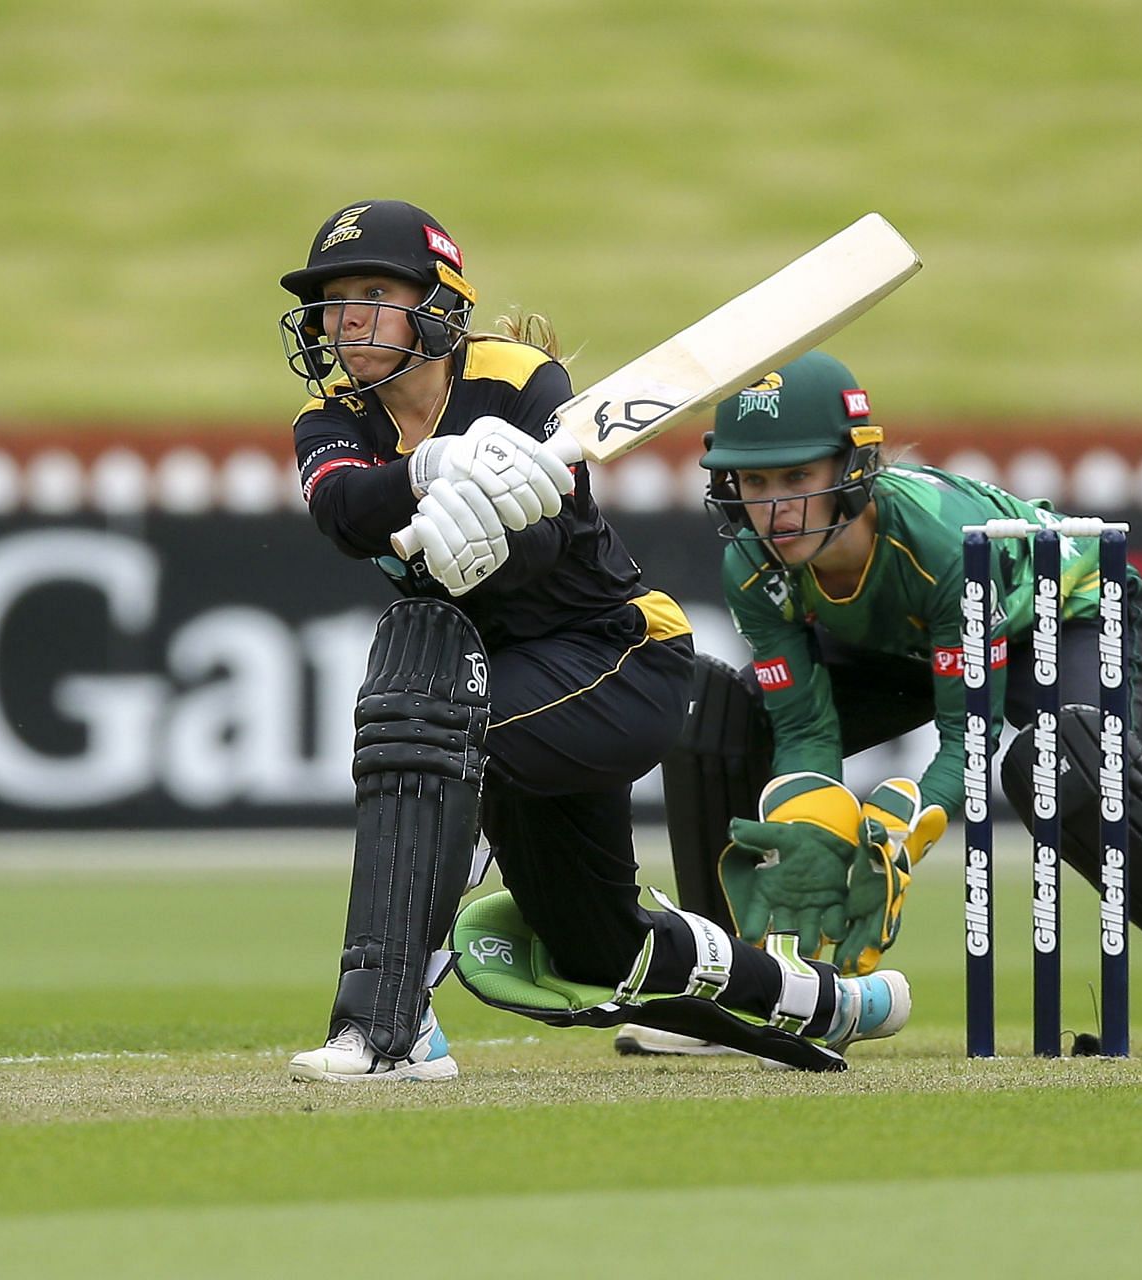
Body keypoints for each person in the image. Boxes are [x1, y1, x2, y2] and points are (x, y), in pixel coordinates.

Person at [277, 201, 910, 1082]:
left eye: (374, 292)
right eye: (334, 300)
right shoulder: (332, 419)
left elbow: (547, 548)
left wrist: (491, 519)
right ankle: (828, 1002)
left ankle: (390, 1024)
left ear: (440, 304)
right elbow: (342, 510)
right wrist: (428, 471)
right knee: (598, 947)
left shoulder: (521, 382)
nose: (348, 319)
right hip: (505, 687)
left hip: (619, 660)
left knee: (425, 731)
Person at [628, 350, 1142, 1059]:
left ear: (852, 468)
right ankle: (738, 994)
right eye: (754, 480)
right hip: (903, 646)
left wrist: (900, 831)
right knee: (721, 719)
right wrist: (808, 822)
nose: (775, 508)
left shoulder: (936, 543)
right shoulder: (750, 560)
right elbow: (804, 727)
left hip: (1065, 613)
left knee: (1063, 763)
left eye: (796, 477)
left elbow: (964, 739)